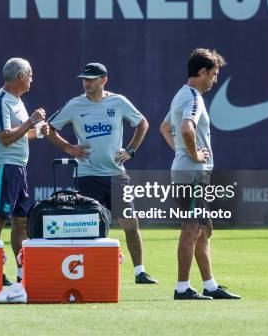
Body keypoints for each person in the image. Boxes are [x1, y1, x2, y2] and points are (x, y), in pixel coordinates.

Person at [47, 62, 157, 284]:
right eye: (84, 79)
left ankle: (139, 272)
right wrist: (68, 147)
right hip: (87, 176)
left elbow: (142, 123)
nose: (86, 83)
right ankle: (91, 273)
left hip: (116, 174)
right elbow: (48, 127)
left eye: (91, 79)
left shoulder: (118, 102)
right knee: (90, 225)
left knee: (130, 223)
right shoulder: (75, 105)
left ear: (104, 80)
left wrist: (130, 151)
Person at [160, 48, 240, 300]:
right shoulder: (194, 97)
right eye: (213, 74)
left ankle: (210, 286)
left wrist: (182, 153)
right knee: (192, 229)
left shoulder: (181, 95)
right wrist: (192, 155)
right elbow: (185, 128)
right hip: (193, 173)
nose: (214, 80)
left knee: (204, 230)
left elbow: (164, 128)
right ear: (202, 72)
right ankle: (182, 287)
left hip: (191, 171)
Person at [0, 57, 48, 288]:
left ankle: (23, 273)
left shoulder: (17, 101)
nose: (32, 79)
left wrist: (37, 132)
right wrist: (31, 122)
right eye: (30, 74)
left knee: (21, 223)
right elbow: (5, 137)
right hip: (3, 166)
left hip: (18, 167)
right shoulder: (0, 101)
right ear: (20, 76)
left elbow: (19, 134)